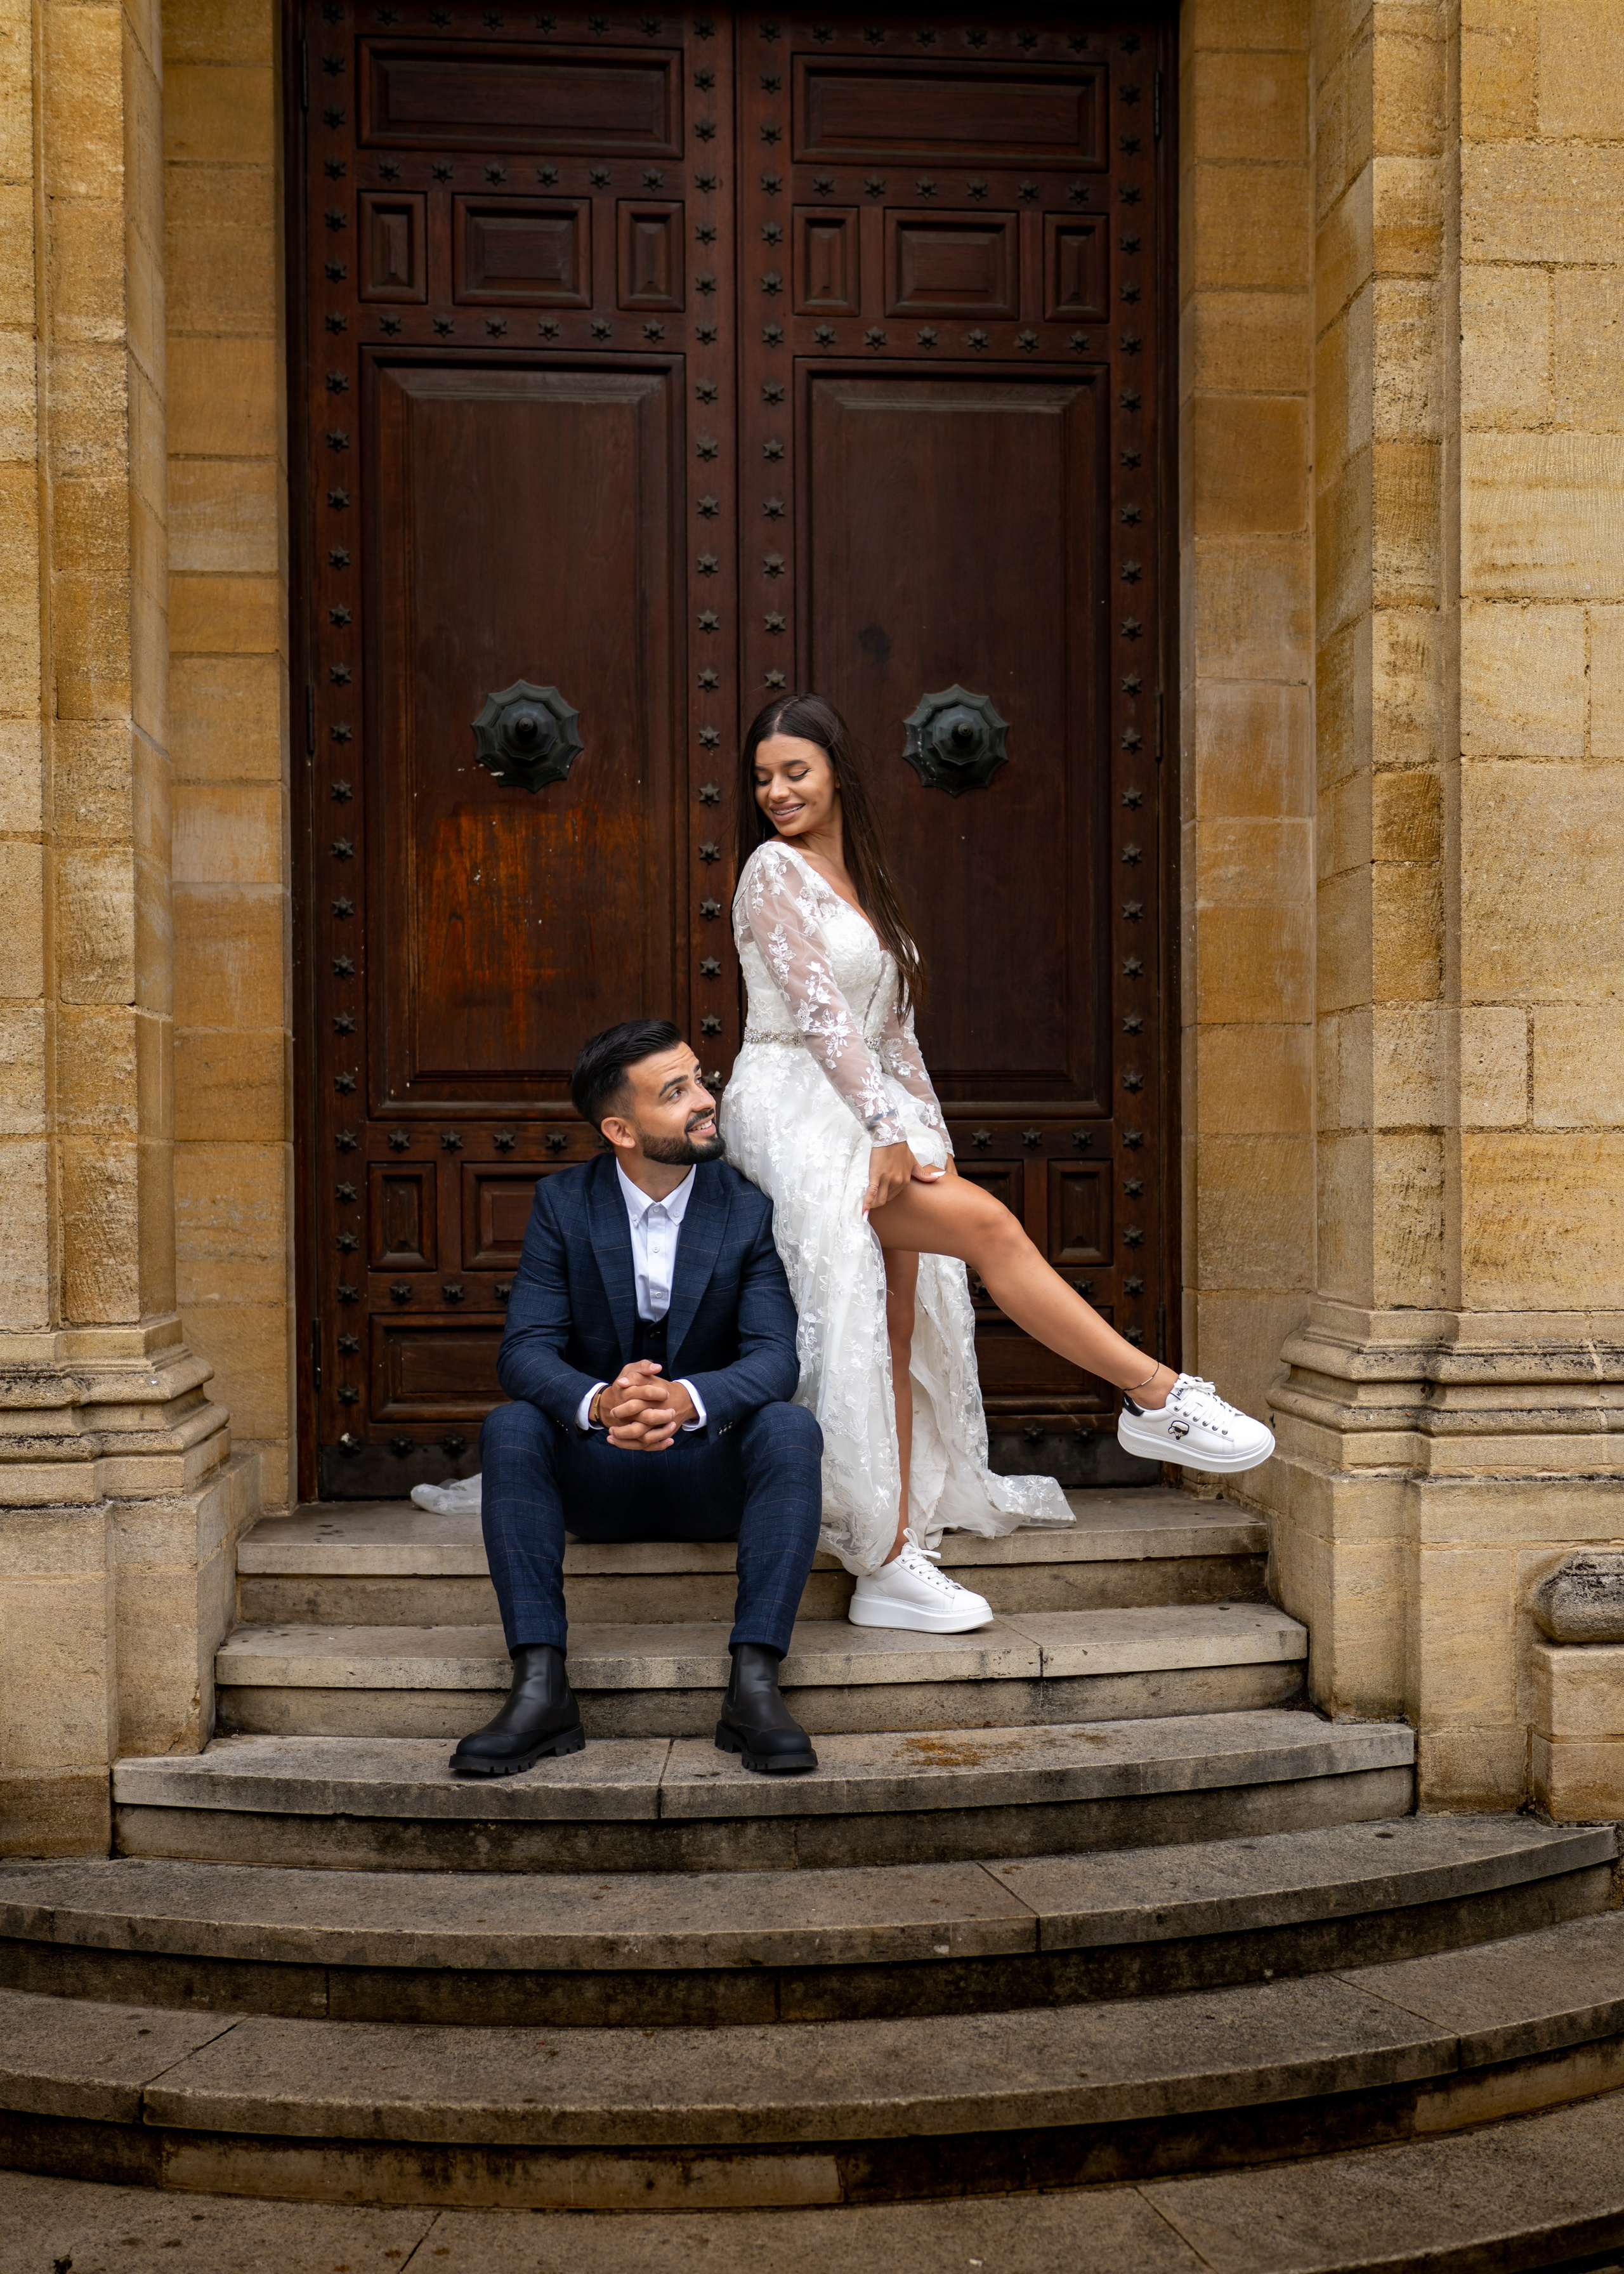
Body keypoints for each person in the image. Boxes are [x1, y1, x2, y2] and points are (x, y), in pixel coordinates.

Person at [721, 692, 1274, 1636]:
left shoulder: (859, 878)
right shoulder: (773, 871)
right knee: (987, 1228)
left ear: (839, 773)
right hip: (794, 1107)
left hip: (868, 1111)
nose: (776, 792)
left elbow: (893, 1037)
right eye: (764, 778)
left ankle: (891, 1555)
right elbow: (819, 1017)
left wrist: (921, 1136)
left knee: (889, 1333)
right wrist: (884, 1133)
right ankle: (1154, 1395)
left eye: (795, 772)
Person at [452, 1019, 824, 1778]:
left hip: (708, 1476)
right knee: (512, 1425)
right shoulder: (563, 1202)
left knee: (789, 1427)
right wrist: (599, 1402)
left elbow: (774, 1357)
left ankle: (754, 1685)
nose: (706, 1101)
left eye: (699, 1079)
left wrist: (687, 1399)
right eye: (677, 1091)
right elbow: (522, 1350)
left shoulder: (747, 1207)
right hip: (600, 1475)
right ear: (618, 1128)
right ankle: (540, 1686)